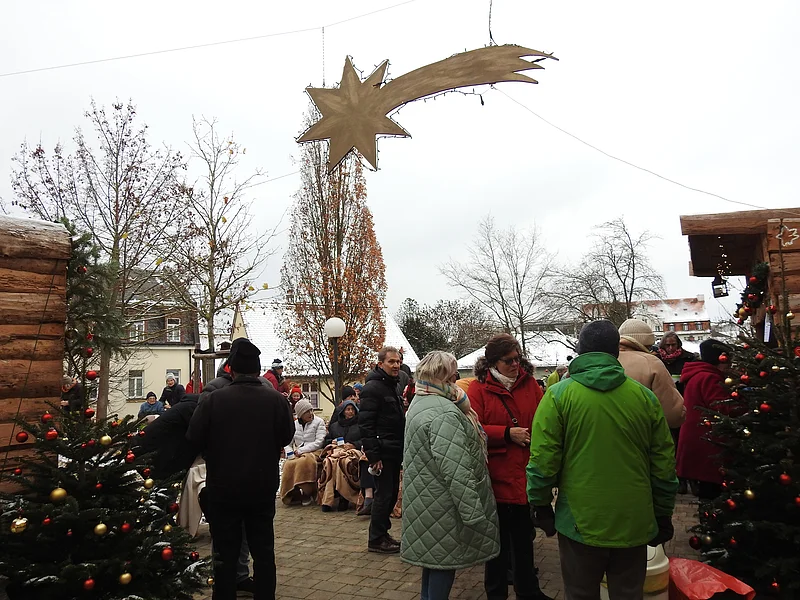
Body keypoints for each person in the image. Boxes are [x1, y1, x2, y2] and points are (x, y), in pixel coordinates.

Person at [527, 320, 678, 600]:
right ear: (615, 352)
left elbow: (543, 459)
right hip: (634, 520)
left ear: (581, 351)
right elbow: (663, 464)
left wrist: (540, 504)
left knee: (580, 593)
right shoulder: (644, 398)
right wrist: (663, 513)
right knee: (629, 594)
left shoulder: (558, 397)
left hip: (579, 522)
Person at [187, 338, 295, 600]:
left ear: (231, 370)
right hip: (262, 487)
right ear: (258, 371)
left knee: (225, 553)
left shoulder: (213, 400)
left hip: (224, 489)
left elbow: (193, 438)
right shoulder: (276, 401)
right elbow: (286, 436)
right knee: (263, 551)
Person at [402, 351, 500, 600]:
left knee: (433, 561)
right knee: (444, 563)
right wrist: (474, 513)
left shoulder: (421, 399)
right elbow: (456, 468)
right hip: (443, 504)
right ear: (445, 375)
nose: (457, 377)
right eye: (455, 373)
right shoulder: (445, 411)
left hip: (425, 499)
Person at [467, 333, 551, 600]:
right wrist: (506, 433)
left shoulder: (530, 385)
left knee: (525, 540)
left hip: (525, 474)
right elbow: (472, 428)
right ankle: (496, 593)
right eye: (508, 361)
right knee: (497, 546)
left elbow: (544, 420)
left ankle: (529, 591)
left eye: (518, 359)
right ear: (492, 362)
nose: (516, 365)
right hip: (496, 477)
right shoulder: (478, 389)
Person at [359, 346, 406, 553]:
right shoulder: (373, 388)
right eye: (391, 362)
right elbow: (366, 425)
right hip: (383, 451)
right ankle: (376, 539)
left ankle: (383, 533)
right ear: (381, 364)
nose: (396, 365)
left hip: (394, 449)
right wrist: (374, 455)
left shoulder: (392, 386)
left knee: (391, 493)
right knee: (384, 495)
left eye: (398, 361)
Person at [676, 339, 732, 501]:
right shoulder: (710, 378)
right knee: (711, 492)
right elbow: (721, 407)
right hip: (706, 441)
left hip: (697, 438)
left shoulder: (697, 374)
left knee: (705, 491)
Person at [616, 318, 686, 428]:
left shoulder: (608, 359)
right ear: (647, 341)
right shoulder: (651, 363)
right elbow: (673, 414)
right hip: (643, 434)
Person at [656, 330, 697, 494]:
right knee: (669, 446)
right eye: (668, 345)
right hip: (665, 405)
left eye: (673, 345)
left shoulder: (688, 359)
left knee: (685, 444)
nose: (671, 348)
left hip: (684, 404)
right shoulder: (657, 360)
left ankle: (690, 478)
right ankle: (678, 479)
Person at [136, 394, 198, 479]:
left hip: (147, 445)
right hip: (147, 450)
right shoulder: (190, 408)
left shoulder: (184, 406)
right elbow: (198, 434)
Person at [319, 399, 364, 512]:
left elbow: (365, 440)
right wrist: (331, 442)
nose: (350, 412)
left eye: (352, 409)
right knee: (329, 462)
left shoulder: (360, 425)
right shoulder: (335, 426)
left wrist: (354, 445)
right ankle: (328, 499)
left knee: (343, 462)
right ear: (343, 411)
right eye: (348, 409)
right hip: (337, 451)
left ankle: (344, 496)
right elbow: (326, 440)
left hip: (353, 452)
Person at [279, 399, 326, 506]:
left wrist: (301, 450)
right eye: (306, 412)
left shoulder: (319, 422)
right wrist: (290, 452)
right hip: (298, 453)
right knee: (288, 464)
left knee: (304, 461)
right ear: (300, 414)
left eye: (311, 410)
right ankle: (292, 492)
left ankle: (307, 491)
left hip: (315, 452)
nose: (310, 414)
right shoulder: (294, 424)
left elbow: (319, 442)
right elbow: (288, 442)